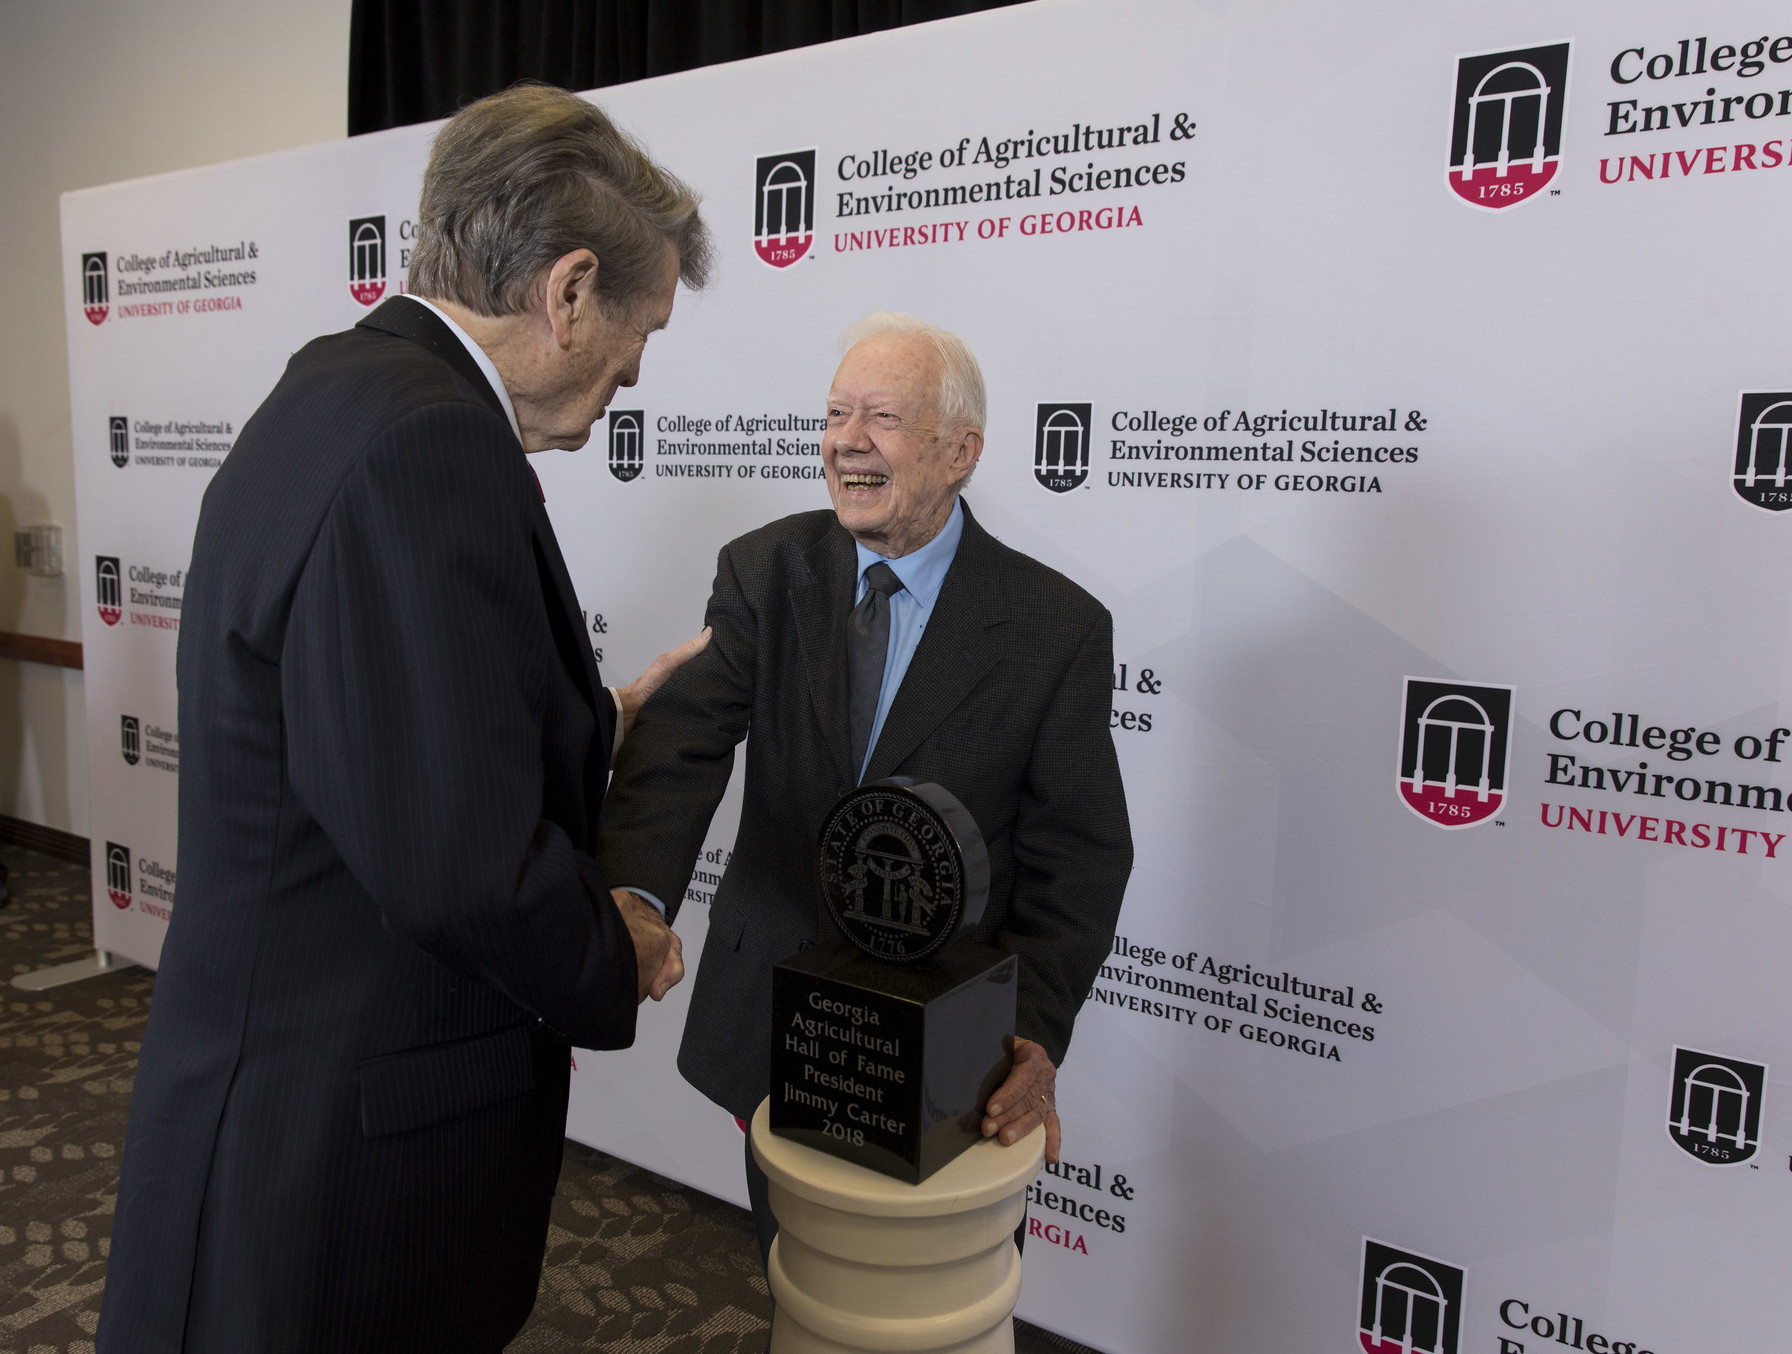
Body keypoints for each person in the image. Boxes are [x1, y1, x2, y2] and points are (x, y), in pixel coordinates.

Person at [99, 86, 705, 1354]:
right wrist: (618, 949)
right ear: (570, 289)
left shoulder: (336, 391)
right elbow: (457, 862)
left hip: (268, 1111)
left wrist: (598, 716)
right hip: (340, 1166)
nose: (638, 370)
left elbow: (369, 726)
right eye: (643, 328)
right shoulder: (429, 448)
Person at [599, 311, 1134, 1265]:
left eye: (882, 417)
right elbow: (681, 742)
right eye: (837, 413)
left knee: (935, 1299)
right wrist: (635, 899)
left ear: (960, 450)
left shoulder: (1055, 626)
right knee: (799, 1273)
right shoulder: (767, 569)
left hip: (954, 1051)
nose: (846, 439)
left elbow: (1078, 859)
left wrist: (1032, 1034)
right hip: (776, 1022)